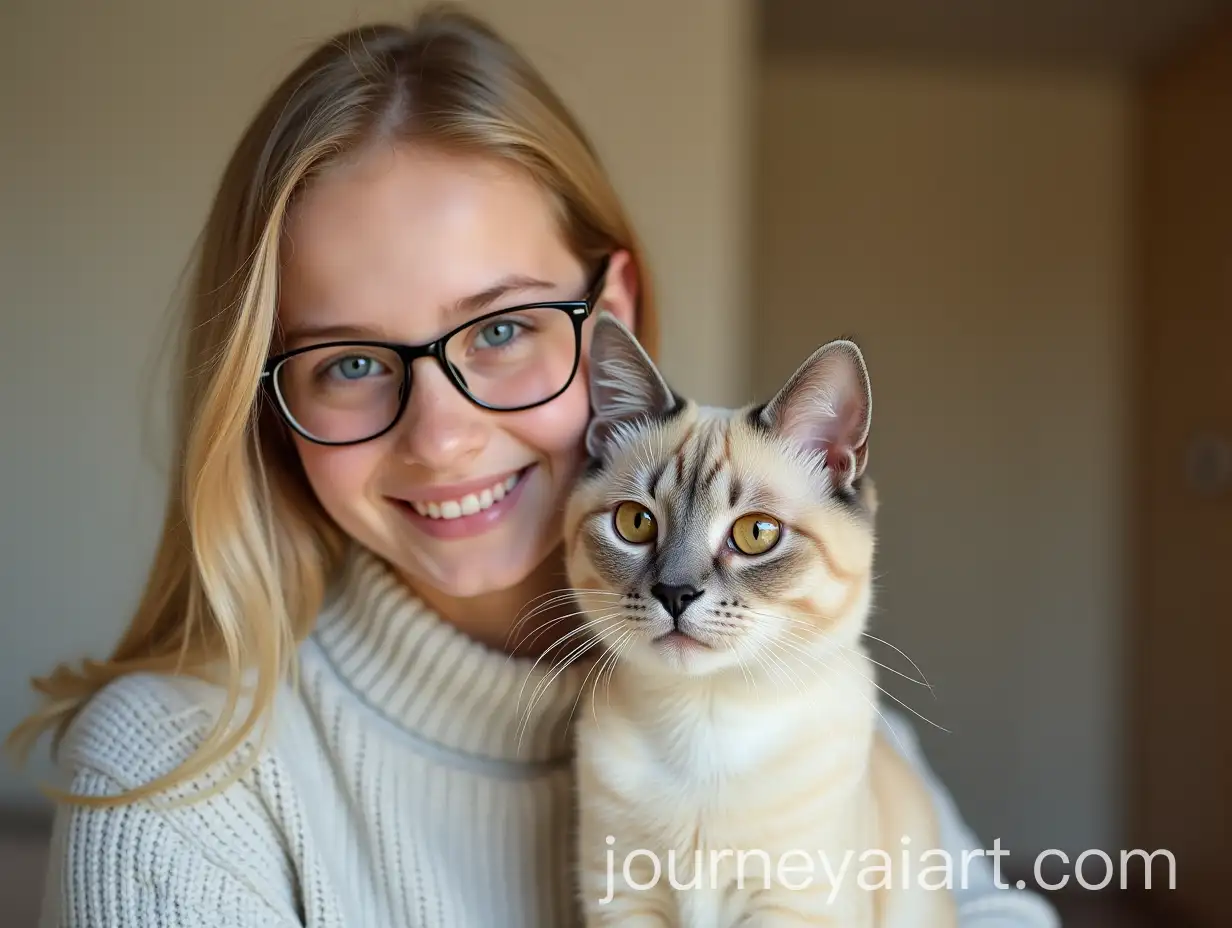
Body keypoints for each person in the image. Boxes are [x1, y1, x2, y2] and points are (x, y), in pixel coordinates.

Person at [9, 6, 1059, 926]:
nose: (439, 435)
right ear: (269, 396)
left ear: (610, 320)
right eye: (351, 361)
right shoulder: (167, 778)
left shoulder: (785, 674)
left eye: (502, 330)